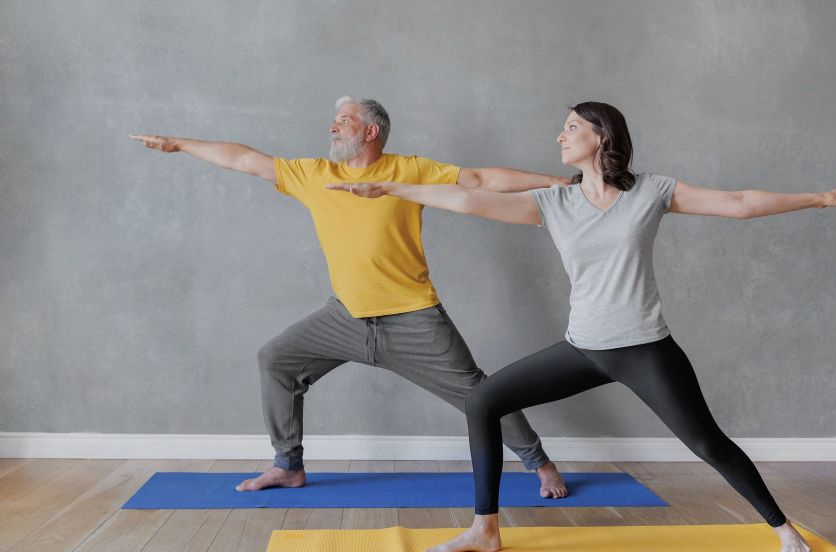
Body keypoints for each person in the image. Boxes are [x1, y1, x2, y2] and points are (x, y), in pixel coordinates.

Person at [328, 101, 836, 552]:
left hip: (644, 350)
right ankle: (484, 529)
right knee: (483, 400)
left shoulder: (652, 190)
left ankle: (781, 526)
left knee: (708, 444)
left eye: (571, 127)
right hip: (584, 349)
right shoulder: (554, 202)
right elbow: (468, 199)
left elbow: (739, 204)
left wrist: (818, 198)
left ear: (600, 136)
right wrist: (391, 188)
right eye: (561, 129)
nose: (560, 136)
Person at [129, 96, 571, 497]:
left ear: (371, 131)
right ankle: (288, 466)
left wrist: (556, 183)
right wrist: (179, 144)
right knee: (276, 360)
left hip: (413, 318)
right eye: (335, 120)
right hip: (344, 318)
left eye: (344, 120)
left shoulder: (409, 170)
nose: (334, 127)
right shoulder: (314, 175)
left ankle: (540, 464)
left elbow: (479, 178)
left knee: (478, 393)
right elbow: (244, 158)